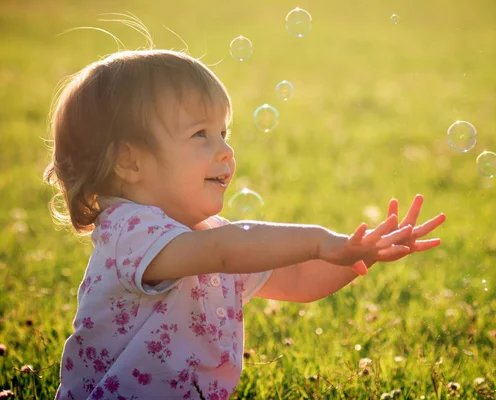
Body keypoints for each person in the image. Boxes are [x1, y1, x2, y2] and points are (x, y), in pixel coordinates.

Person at [44, 48, 446, 400]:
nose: (225, 150)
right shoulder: (128, 232)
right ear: (129, 162)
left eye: (224, 132)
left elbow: (298, 281)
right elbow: (226, 251)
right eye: (200, 134)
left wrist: (361, 254)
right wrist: (321, 240)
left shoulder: (208, 236)